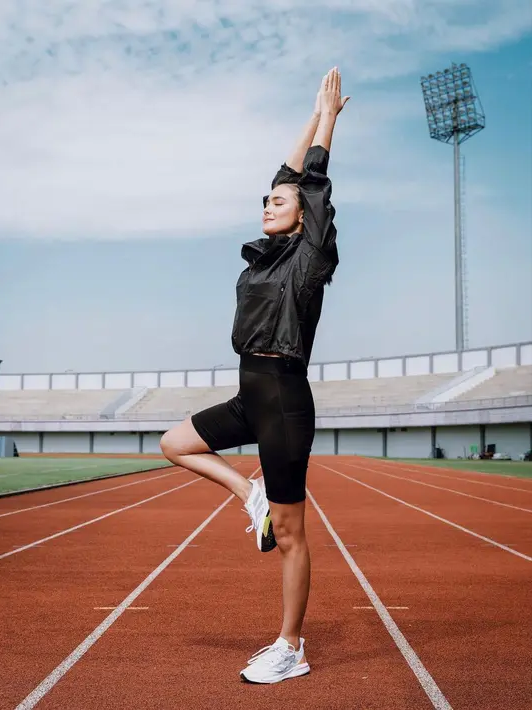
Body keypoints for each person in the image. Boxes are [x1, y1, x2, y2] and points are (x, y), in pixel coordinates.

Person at [160, 67, 349, 684]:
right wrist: (308, 117)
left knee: (291, 536)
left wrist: (328, 123)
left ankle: (291, 646)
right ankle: (250, 494)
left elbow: (310, 185)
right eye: (266, 199)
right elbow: (289, 177)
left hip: (285, 400)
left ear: (303, 220)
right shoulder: (270, 255)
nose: (268, 202)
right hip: (249, 393)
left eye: (279, 203)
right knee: (174, 444)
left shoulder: (310, 260)